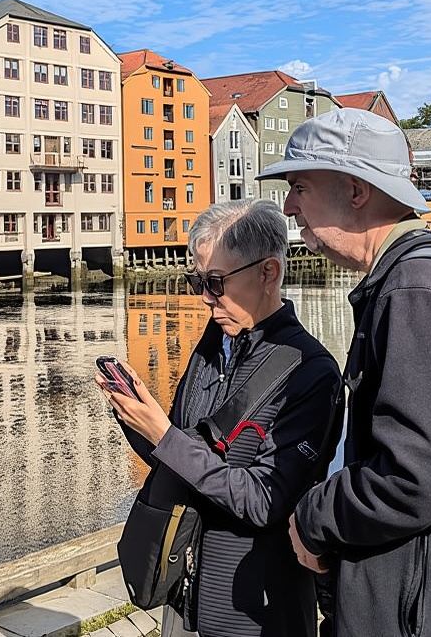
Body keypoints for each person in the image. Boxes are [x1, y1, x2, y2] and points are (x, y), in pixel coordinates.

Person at [256, 108, 431, 636]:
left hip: (427, 602)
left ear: (356, 190)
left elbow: (422, 475)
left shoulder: (417, 291)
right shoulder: (423, 274)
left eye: (299, 186)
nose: (290, 207)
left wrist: (315, 517)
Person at [100, 199, 341, 637]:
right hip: (186, 595)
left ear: (269, 272)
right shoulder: (214, 345)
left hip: (256, 611)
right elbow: (179, 455)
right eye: (196, 280)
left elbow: (264, 501)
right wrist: (135, 415)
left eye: (215, 282)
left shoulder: (310, 371)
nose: (204, 298)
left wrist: (164, 434)